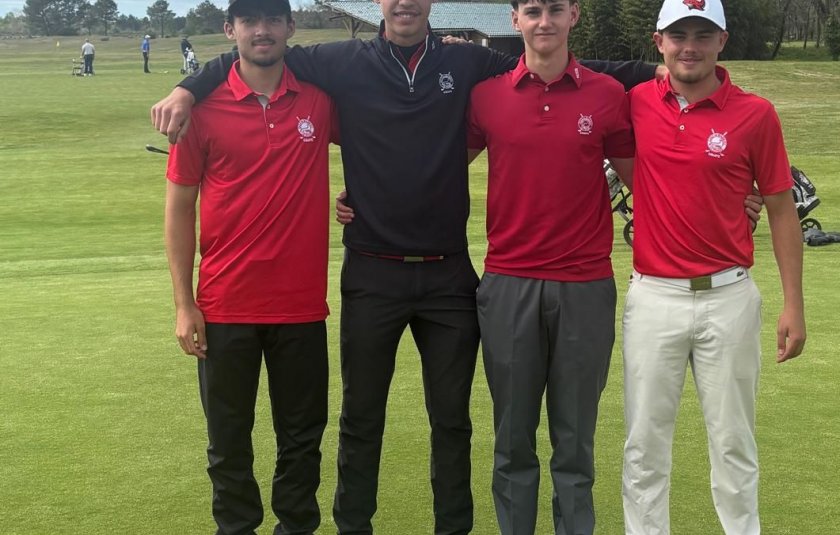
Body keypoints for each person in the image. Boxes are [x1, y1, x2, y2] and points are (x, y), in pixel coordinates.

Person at [151, 3, 660, 532]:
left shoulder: (464, 63)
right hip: (372, 272)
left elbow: (549, 56)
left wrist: (655, 67)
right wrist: (188, 88)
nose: (405, 4)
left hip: (448, 275)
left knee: (451, 422)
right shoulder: (342, 61)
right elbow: (259, 51)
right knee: (361, 419)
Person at [620, 0, 806, 534]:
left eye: (703, 34)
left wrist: (793, 303)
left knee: (732, 442)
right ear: (659, 41)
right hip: (654, 296)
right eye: (679, 35)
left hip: (729, 296)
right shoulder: (635, 103)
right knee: (644, 443)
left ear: (723, 41)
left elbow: (779, 207)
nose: (690, 46)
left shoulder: (755, 113)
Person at [163, 0, 335, 533]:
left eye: (272, 19)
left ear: (290, 27)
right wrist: (183, 304)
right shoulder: (202, 108)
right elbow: (178, 208)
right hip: (224, 306)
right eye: (248, 21)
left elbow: (381, 146)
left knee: (302, 440)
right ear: (229, 29)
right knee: (228, 441)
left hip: (301, 307)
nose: (261, 30)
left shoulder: (321, 101)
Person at [465, 0, 633, 533]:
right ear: (514, 19)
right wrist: (365, 199)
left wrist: (732, 204)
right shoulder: (486, 97)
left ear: (573, 16)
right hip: (509, 284)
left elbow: (649, 184)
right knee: (512, 440)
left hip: (585, 286)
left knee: (575, 441)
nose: (544, 21)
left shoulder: (606, 96)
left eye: (555, 9)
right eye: (532, 10)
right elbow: (433, 169)